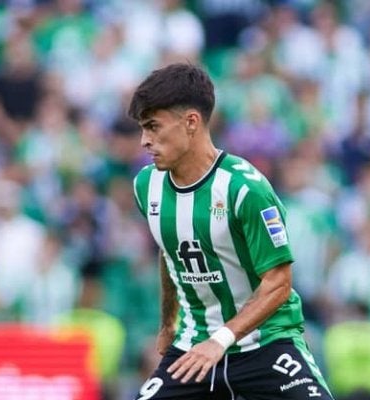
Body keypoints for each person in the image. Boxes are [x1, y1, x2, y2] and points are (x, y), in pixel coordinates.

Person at [129, 63, 332, 399]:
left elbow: (279, 283)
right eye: (142, 128)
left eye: (153, 127)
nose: (144, 141)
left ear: (191, 122)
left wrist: (220, 340)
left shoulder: (245, 188)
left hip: (266, 343)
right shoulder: (146, 185)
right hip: (194, 347)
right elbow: (171, 251)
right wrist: (168, 324)